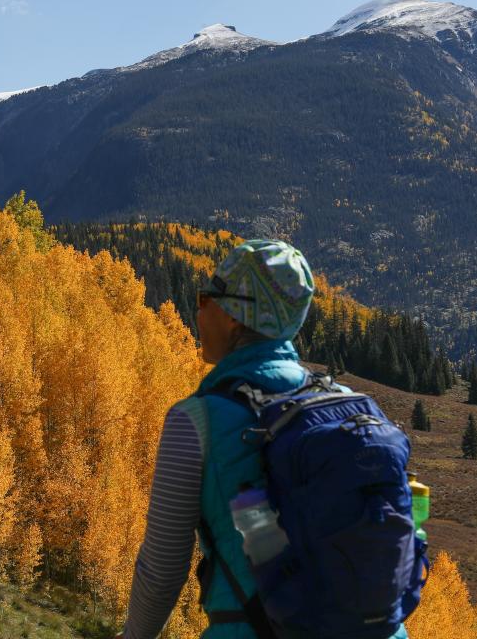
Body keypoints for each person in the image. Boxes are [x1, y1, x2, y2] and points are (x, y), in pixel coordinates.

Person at [117, 240, 407, 639]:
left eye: (206, 299)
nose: (198, 310)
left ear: (235, 315)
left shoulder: (195, 420)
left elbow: (163, 568)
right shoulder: (351, 407)